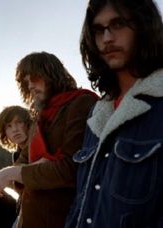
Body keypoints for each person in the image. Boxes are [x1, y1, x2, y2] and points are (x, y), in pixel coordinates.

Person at [65, 0, 163, 227]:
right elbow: (81, 203)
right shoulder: (96, 114)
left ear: (144, 25)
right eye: (98, 30)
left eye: (118, 24)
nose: (107, 38)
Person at [0, 51, 98, 228]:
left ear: (52, 74)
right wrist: (35, 169)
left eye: (35, 78)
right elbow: (22, 164)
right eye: (26, 82)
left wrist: (17, 173)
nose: (30, 85)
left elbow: (72, 168)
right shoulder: (40, 117)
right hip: (30, 219)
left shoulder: (81, 103)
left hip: (62, 219)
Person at [0, 105, 32, 227]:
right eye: (9, 126)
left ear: (28, 124)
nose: (15, 129)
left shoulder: (38, 146)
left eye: (18, 122)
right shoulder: (17, 155)